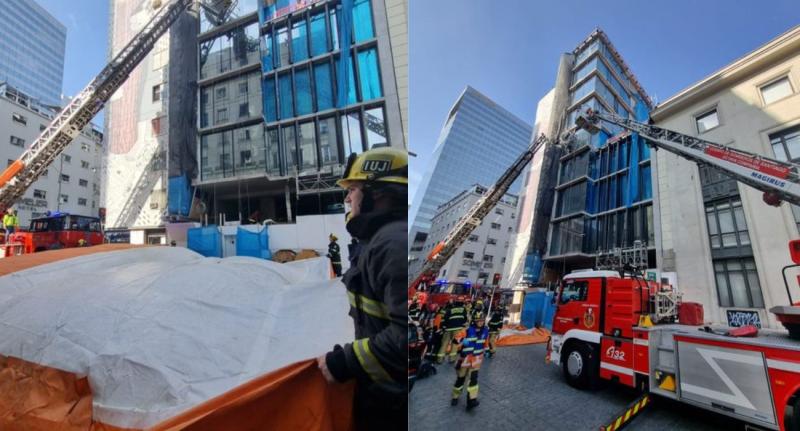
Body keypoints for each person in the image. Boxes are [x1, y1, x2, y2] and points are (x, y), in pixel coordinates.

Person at [316, 148, 408, 430]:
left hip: (392, 406)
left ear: (377, 193)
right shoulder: (378, 241)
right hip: (382, 396)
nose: (347, 198)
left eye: (353, 189)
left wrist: (344, 362)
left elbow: (405, 337)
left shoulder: (391, 244)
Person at [451, 311, 489, 410]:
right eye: (478, 321)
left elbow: (486, 343)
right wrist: (462, 340)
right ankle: (455, 397)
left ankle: (471, 401)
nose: (480, 322)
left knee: (473, 380)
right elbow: (455, 339)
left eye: (482, 321)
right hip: (465, 360)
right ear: (474, 321)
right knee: (460, 379)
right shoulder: (467, 330)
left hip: (476, 361)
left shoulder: (485, 330)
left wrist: (487, 350)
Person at [436, 297, 467, 363]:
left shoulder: (450, 309)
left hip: (448, 329)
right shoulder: (463, 309)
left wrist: (443, 327)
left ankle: (439, 359)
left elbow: (444, 319)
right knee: (455, 344)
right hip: (457, 329)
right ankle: (452, 359)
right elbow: (465, 319)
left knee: (444, 344)